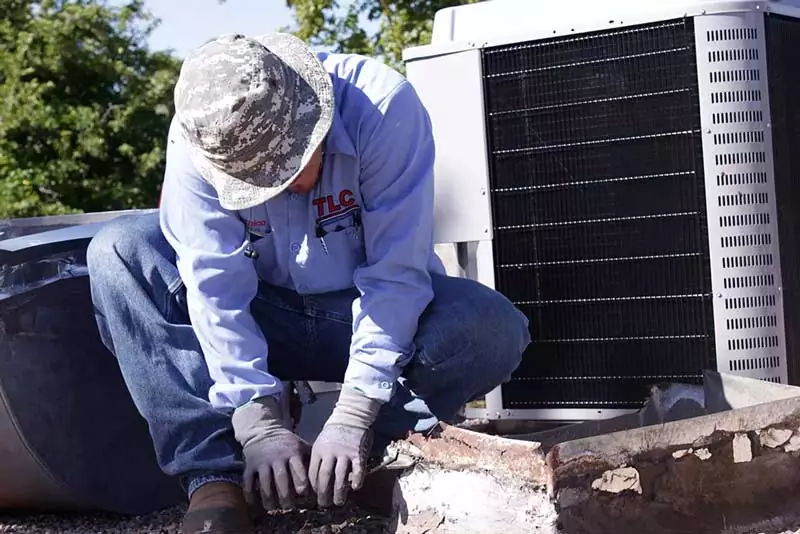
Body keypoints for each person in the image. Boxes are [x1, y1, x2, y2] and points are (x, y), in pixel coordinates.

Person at [86, 32, 531, 534]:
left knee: (489, 327)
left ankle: (372, 460)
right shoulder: (201, 140)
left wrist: (354, 416)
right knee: (120, 250)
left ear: (315, 111)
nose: (287, 186)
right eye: (260, 183)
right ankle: (217, 479)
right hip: (263, 312)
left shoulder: (383, 107)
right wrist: (257, 421)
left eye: (292, 165)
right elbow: (215, 289)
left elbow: (395, 277)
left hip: (366, 311)